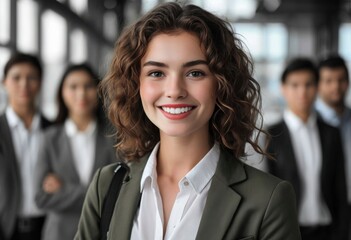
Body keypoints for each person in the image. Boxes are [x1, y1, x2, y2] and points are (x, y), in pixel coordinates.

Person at [75, 3, 301, 240]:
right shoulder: (107, 186)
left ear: (222, 84)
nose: (174, 91)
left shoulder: (268, 199)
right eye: (157, 73)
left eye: (195, 73)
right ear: (136, 85)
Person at [266, 58, 348, 240]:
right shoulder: (271, 135)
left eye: (308, 84)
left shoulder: (331, 133)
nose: (302, 92)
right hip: (287, 231)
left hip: (327, 231)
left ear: (317, 87)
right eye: (295, 85)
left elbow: (339, 188)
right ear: (283, 88)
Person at [34, 64, 116, 240]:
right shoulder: (49, 139)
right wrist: (97, 194)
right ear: (62, 92)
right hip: (58, 235)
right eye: (73, 87)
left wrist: (64, 190)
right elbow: (41, 198)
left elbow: (120, 193)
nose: (81, 94)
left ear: (98, 90)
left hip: (103, 233)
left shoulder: (114, 137)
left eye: (88, 86)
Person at [0, 53, 51, 240]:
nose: (24, 84)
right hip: (6, 230)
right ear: (4, 82)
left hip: (49, 230)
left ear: (40, 82)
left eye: (31, 78)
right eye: (16, 78)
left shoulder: (54, 130)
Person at [315, 55, 351, 239]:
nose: (335, 87)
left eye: (341, 80)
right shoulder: (310, 124)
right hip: (324, 211)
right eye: (328, 81)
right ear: (318, 84)